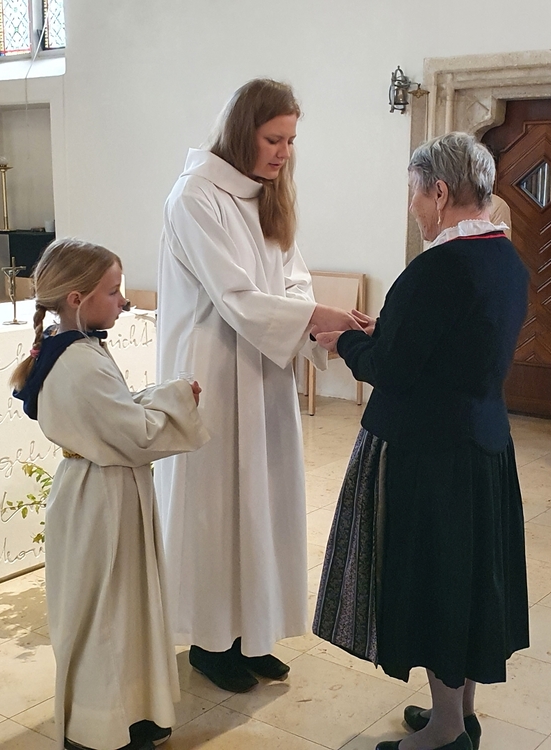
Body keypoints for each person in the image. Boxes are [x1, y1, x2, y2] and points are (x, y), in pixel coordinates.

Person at [313, 132, 529, 750]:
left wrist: (344, 340)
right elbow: (455, 339)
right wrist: (385, 328)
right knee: (468, 580)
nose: (411, 205)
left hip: (432, 453)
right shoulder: (504, 258)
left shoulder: (437, 268)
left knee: (437, 581)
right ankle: (462, 713)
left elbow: (394, 369)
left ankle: (445, 729)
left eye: (413, 192)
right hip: (484, 442)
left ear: (438, 191)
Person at [154, 79, 359, 693]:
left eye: (291, 140)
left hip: (264, 369)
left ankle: (253, 633)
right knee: (217, 508)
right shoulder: (195, 195)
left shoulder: (269, 194)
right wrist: (313, 319)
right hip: (214, 370)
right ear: (243, 132)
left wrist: (314, 321)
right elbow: (235, 295)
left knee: (264, 501)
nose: (284, 152)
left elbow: (294, 277)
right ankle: (211, 642)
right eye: (274, 139)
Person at [11, 239, 209, 750]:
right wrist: (177, 398)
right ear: (77, 298)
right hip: (100, 496)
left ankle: (133, 712)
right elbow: (134, 434)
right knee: (104, 613)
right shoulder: (78, 361)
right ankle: (98, 728)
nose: (123, 300)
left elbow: (115, 412)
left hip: (104, 487)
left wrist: (165, 396)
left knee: (125, 607)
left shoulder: (74, 346)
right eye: (113, 290)